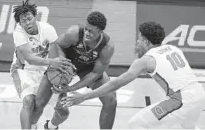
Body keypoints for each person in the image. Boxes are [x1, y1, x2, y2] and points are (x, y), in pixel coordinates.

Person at [62, 21, 205, 129]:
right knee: (189, 127)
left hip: (180, 99)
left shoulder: (147, 60)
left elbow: (115, 84)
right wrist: (138, 54)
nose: (137, 41)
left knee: (136, 124)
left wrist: (83, 96)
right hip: (199, 94)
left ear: (147, 42)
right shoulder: (173, 48)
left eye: (139, 39)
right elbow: (140, 66)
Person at [35, 11, 117, 129]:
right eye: (86, 29)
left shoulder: (107, 47)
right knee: (43, 103)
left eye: (91, 31)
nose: (87, 33)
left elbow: (95, 73)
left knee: (111, 99)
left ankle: (50, 126)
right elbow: (58, 45)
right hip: (67, 62)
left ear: (100, 31)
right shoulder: (74, 33)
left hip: (88, 68)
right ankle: (49, 126)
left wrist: (71, 88)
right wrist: (62, 63)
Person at [10, 0, 71, 129]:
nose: (27, 23)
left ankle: (51, 126)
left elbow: (57, 53)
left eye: (29, 18)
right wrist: (52, 62)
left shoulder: (48, 29)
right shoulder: (18, 33)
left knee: (63, 110)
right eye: (23, 21)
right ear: (19, 23)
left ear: (35, 16)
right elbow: (30, 59)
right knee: (28, 101)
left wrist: (62, 71)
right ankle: (31, 126)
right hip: (24, 70)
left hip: (45, 70)